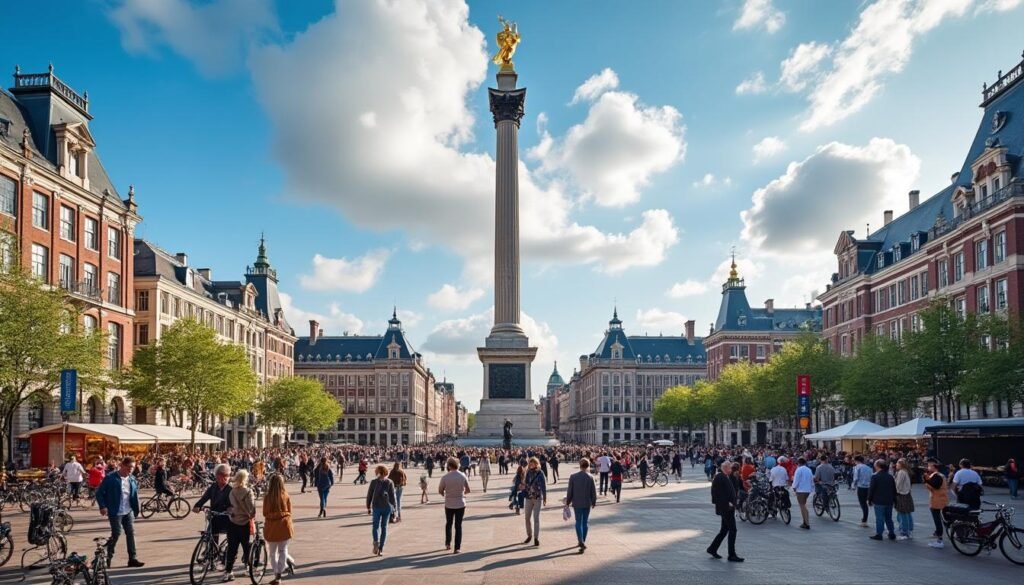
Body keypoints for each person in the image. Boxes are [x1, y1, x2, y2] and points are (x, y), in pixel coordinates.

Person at [95, 456, 144, 568]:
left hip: (128, 511)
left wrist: (136, 509)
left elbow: (134, 495)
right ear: (122, 465)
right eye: (129, 467)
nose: (131, 469)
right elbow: (99, 493)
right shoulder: (111, 478)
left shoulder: (132, 479)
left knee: (130, 533)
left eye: (133, 467)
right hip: (115, 511)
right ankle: (108, 556)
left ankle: (132, 559)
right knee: (116, 533)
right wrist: (102, 506)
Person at [223, 470, 256, 582]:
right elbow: (251, 508)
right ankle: (248, 568)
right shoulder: (248, 491)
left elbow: (230, 506)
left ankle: (228, 571)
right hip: (245, 523)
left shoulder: (232, 491)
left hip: (233, 522)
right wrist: (252, 515)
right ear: (245, 479)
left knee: (232, 548)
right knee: (247, 547)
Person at [707, 462, 743, 562]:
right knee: (733, 530)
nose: (731, 470)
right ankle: (731, 554)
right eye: (730, 468)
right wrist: (727, 503)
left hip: (727, 508)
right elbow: (716, 493)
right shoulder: (720, 477)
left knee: (724, 530)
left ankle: (712, 548)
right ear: (726, 468)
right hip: (726, 508)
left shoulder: (725, 476)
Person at [262, 474, 293, 585]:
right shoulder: (285, 495)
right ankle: (280, 573)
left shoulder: (267, 497)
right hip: (284, 526)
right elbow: (290, 511)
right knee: (283, 550)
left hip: (271, 527)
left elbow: (265, 513)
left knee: (272, 553)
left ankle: (276, 574)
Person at [194, 463, 234, 546]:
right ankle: (211, 549)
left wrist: (231, 509)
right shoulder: (213, 487)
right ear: (217, 476)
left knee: (231, 536)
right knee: (211, 534)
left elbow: (235, 503)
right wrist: (198, 505)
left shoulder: (231, 489)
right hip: (214, 516)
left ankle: (229, 550)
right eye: (223, 475)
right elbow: (205, 497)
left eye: (227, 475)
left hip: (226, 517)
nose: (226, 477)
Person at [564, 458, 597, 553]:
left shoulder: (573, 477)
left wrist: (568, 501)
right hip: (587, 502)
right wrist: (594, 501)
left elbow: (570, 491)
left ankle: (580, 540)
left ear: (580, 465)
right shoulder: (590, 477)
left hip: (577, 502)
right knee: (585, 522)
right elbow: (593, 491)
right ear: (588, 466)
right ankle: (583, 540)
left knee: (578, 521)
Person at [438, 457, 470, 553]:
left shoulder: (445, 477)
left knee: (449, 523)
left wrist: (445, 493)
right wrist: (462, 493)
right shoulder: (462, 475)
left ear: (449, 466)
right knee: (458, 525)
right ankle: (457, 547)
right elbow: (468, 490)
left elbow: (440, 490)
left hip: (449, 503)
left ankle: (448, 543)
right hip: (460, 502)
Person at [366, 465, 397, 556]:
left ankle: (376, 542)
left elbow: (369, 495)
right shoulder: (390, 482)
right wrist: (394, 509)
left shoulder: (374, 482)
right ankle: (381, 548)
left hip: (376, 507)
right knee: (384, 527)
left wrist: (368, 506)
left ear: (377, 472)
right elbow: (393, 496)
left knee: (375, 526)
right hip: (387, 507)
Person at [520, 457, 547, 546]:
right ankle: (529, 535)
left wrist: (545, 498)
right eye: (530, 463)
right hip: (528, 497)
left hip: (537, 498)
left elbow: (544, 486)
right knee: (527, 518)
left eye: (532, 463)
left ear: (536, 464)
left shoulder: (540, 473)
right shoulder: (528, 472)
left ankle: (536, 538)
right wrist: (522, 486)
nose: (531, 465)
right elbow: (526, 483)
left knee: (536, 518)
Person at [868, 460, 897, 541]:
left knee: (879, 518)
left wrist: (869, 499)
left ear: (877, 466)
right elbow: (894, 489)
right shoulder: (890, 476)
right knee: (889, 518)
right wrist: (894, 500)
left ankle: (879, 534)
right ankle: (891, 533)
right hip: (889, 500)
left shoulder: (875, 476)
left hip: (878, 500)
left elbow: (871, 489)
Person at [923, 458, 949, 549]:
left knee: (937, 520)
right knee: (941, 519)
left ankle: (939, 539)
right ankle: (941, 534)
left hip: (937, 500)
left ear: (934, 467)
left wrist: (926, 479)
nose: (928, 467)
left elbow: (936, 486)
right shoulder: (938, 475)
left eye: (929, 466)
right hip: (939, 499)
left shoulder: (937, 476)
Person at [894, 458, 915, 540]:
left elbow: (898, 485)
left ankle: (904, 532)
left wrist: (895, 493)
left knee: (903, 513)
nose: (896, 464)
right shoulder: (906, 471)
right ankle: (909, 529)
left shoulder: (901, 472)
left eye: (897, 463)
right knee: (907, 513)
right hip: (907, 494)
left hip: (902, 494)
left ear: (901, 464)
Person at [792, 457, 814, 530]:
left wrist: (794, 487)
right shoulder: (809, 469)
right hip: (807, 489)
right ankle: (805, 522)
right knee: (803, 505)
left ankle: (806, 523)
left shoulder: (799, 470)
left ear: (798, 463)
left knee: (802, 506)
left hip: (801, 490)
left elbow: (796, 480)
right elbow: (811, 479)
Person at [851, 455, 872, 527]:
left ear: (856, 461)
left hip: (861, 487)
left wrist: (853, 485)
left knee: (863, 503)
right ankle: (864, 519)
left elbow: (855, 477)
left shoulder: (857, 467)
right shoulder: (869, 468)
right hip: (868, 487)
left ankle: (864, 520)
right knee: (865, 503)